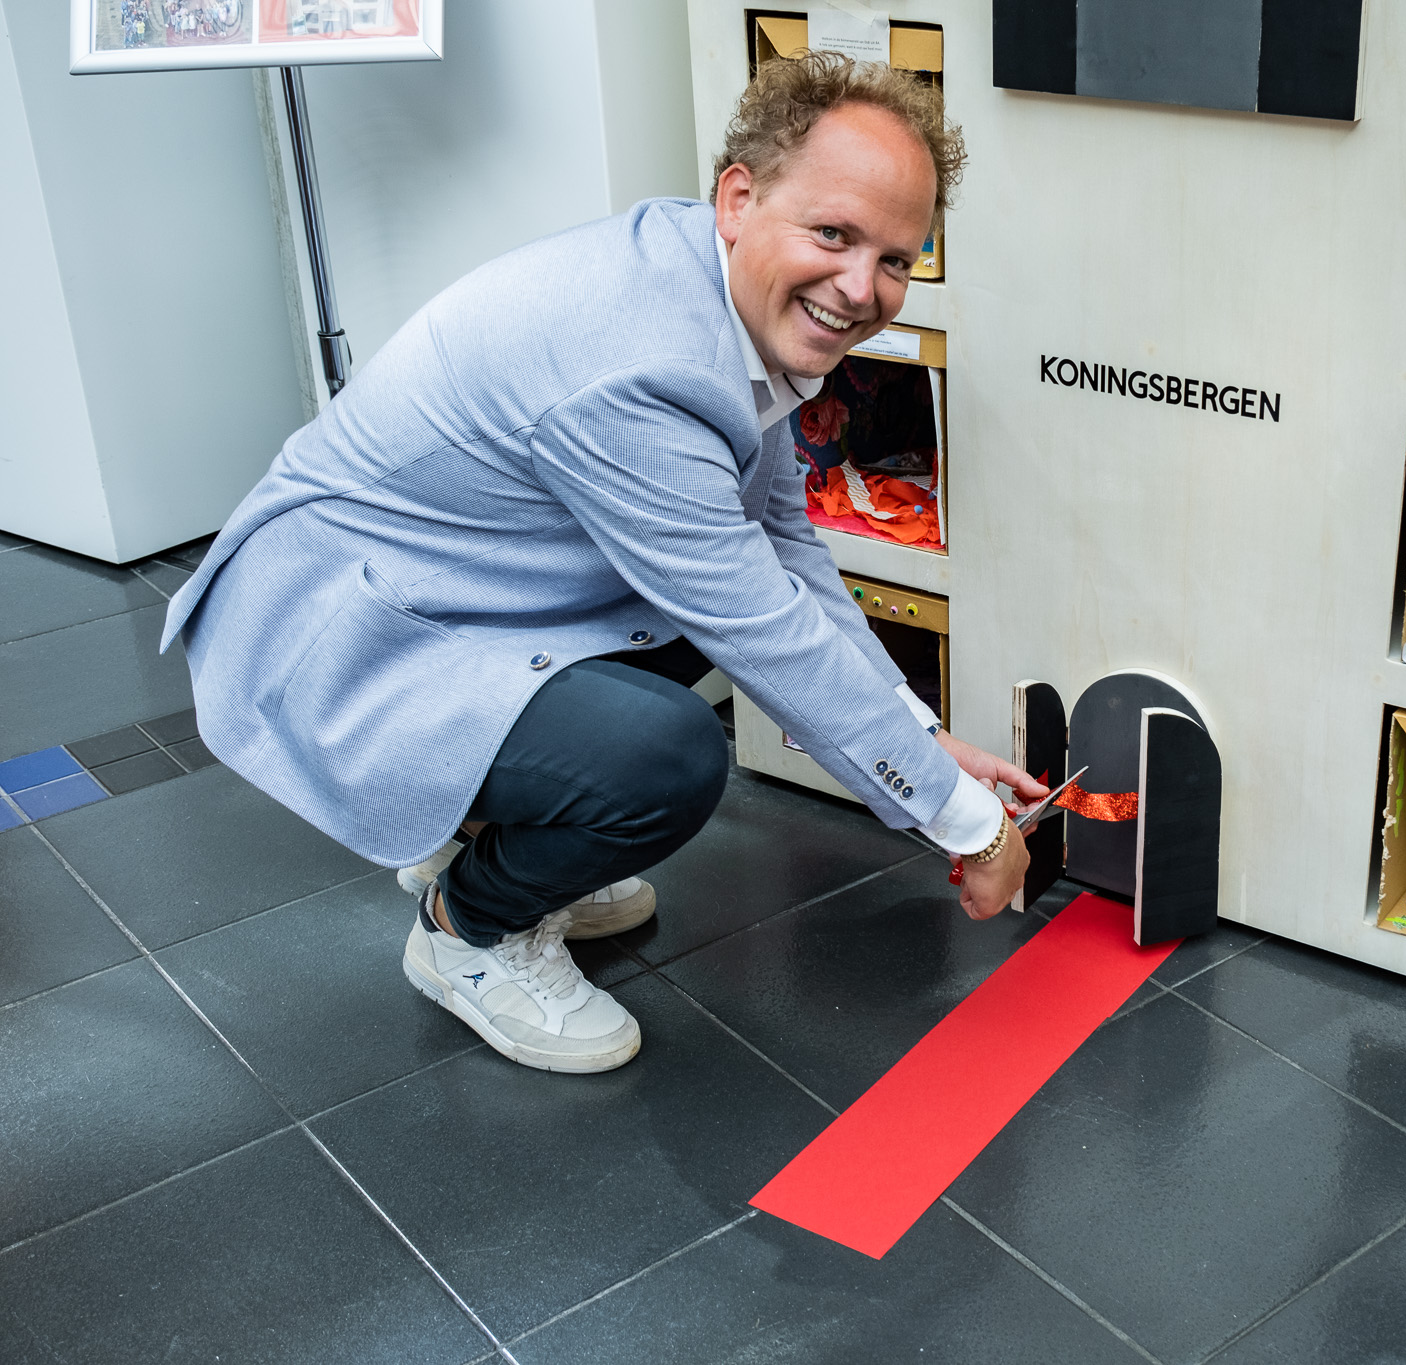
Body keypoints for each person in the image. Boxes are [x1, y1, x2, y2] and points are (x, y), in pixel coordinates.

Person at [161, 52, 1044, 1075]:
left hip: (451, 588)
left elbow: (778, 548)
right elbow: (761, 626)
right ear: (739, 198)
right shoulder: (641, 365)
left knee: (689, 635)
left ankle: (495, 838)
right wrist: (967, 825)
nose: (861, 289)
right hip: (334, 628)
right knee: (665, 759)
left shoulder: (716, 281)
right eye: (834, 235)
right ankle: (469, 927)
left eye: (895, 258)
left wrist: (922, 737)